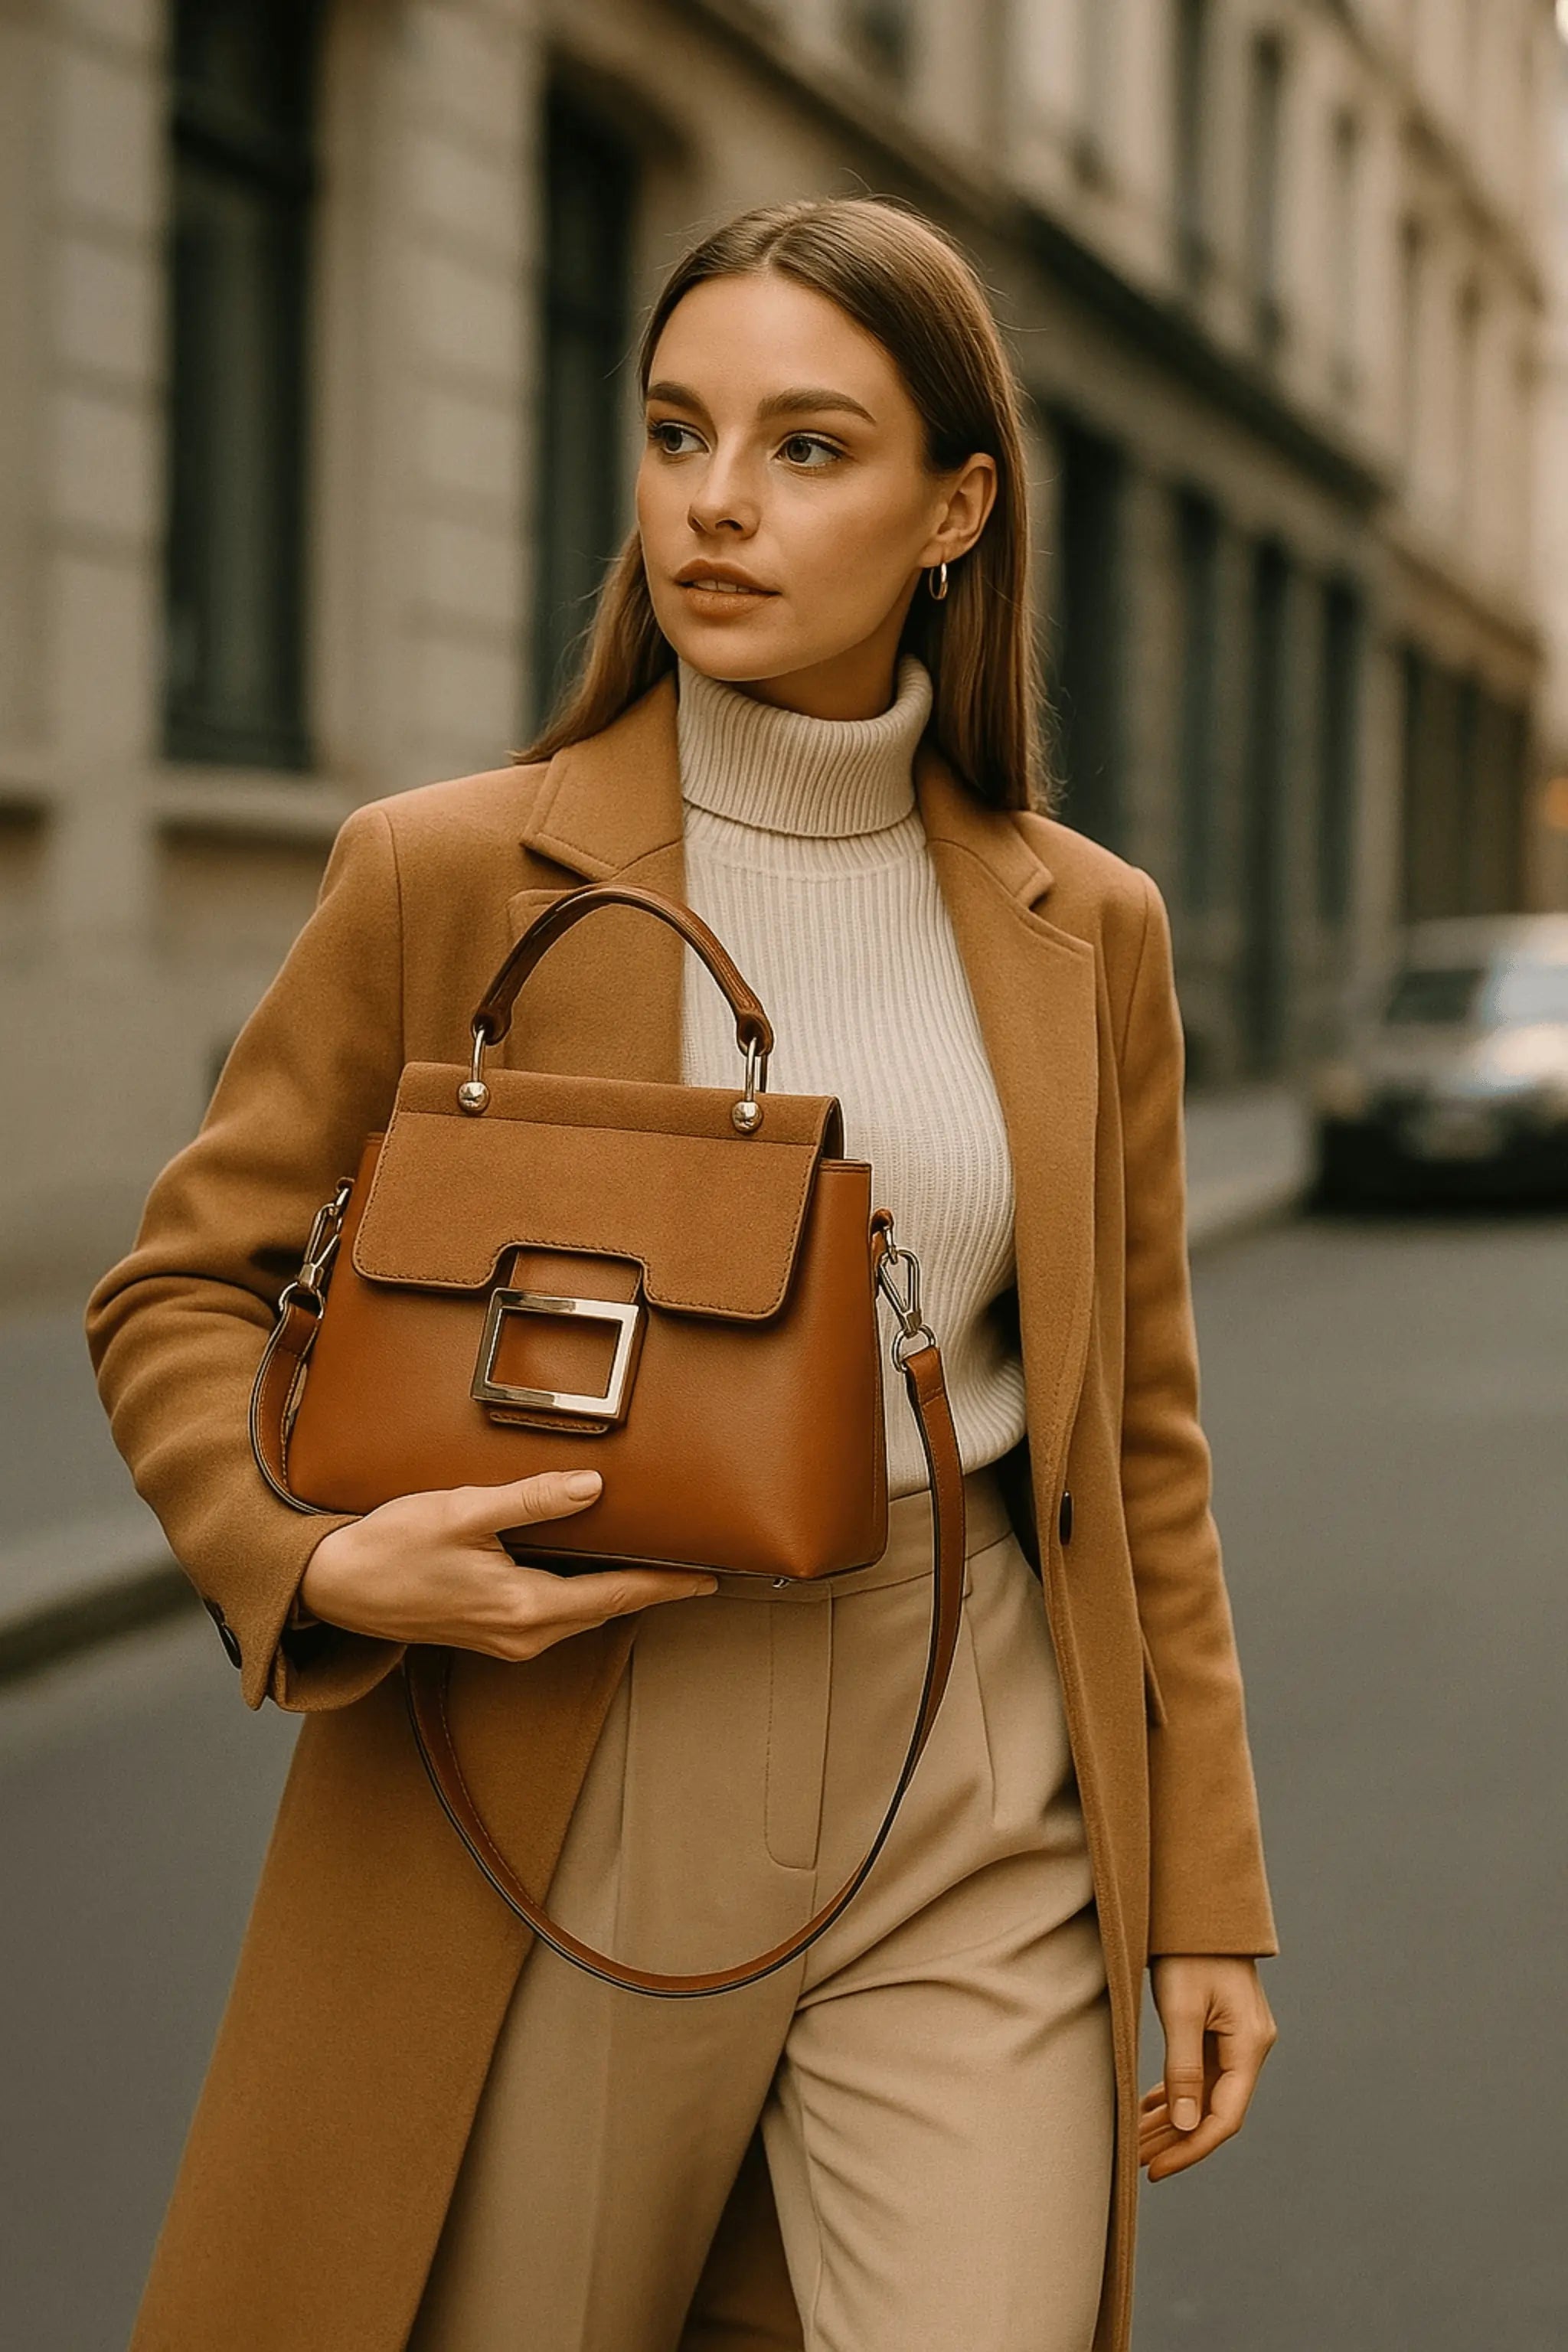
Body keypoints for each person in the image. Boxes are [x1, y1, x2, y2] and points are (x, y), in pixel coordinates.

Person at [87, 197, 1277, 2352]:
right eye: (674, 431)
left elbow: (1139, 1442)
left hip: (976, 1749)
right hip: (577, 1724)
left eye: (808, 449)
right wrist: (320, 1559)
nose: (714, 507)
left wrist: (1203, 1894)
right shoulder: (446, 871)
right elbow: (181, 1289)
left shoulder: (1085, 926)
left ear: (958, 510)